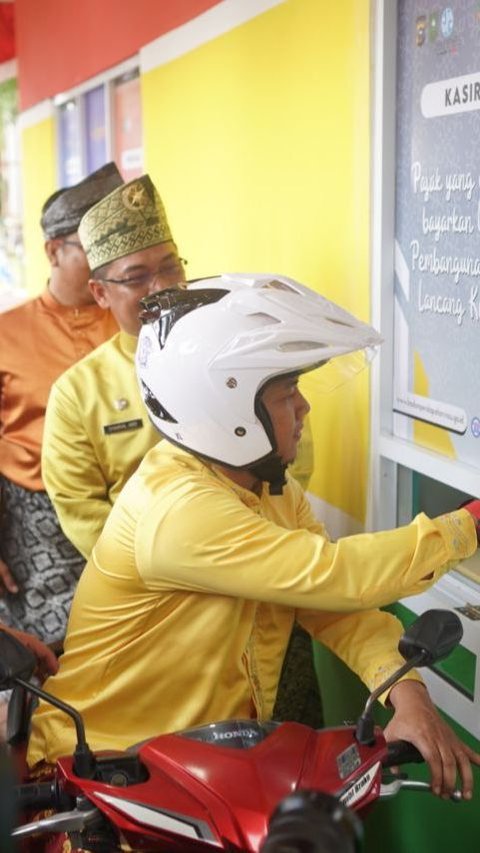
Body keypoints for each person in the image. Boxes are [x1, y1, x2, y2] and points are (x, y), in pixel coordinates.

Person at [28, 274, 480, 799]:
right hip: (101, 771)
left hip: (195, 770)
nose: (305, 408)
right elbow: (338, 575)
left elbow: (329, 603)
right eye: (289, 393)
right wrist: (469, 524)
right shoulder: (179, 509)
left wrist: (407, 692)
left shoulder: (262, 487)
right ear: (229, 414)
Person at [41, 174, 315, 561]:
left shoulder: (240, 353)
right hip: (152, 586)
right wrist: (174, 568)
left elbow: (295, 457)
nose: (161, 287)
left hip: (262, 559)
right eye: (137, 277)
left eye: (170, 267)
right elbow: (81, 511)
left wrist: (252, 548)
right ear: (100, 292)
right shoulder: (77, 393)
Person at [0, 163, 123, 646]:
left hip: (129, 516)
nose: (109, 260)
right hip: (38, 531)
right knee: (56, 659)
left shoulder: (133, 324)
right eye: (95, 248)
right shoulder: (7, 334)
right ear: (55, 250)